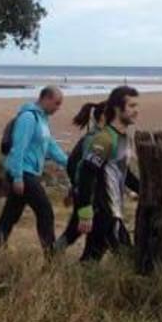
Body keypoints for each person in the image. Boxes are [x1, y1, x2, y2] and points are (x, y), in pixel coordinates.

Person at [0, 86, 71, 254]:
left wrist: (69, 163)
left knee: (10, 215)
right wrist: (18, 177)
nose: (58, 108)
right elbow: (18, 148)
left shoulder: (43, 120)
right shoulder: (28, 117)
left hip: (30, 173)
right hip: (23, 173)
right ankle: (51, 257)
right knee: (45, 211)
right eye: (57, 103)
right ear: (45, 99)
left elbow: (51, 146)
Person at [74, 86, 141, 262]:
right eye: (132, 106)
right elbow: (87, 172)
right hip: (105, 211)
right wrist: (85, 210)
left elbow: (122, 174)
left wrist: (144, 190)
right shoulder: (105, 138)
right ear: (118, 109)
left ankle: (65, 286)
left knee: (90, 260)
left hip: (112, 210)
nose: (136, 111)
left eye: (137, 106)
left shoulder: (124, 138)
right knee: (128, 260)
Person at [53, 101, 106, 253]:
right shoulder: (96, 140)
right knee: (79, 233)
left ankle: (53, 258)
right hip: (90, 197)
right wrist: (78, 190)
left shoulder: (94, 138)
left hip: (88, 196)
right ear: (103, 116)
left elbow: (72, 165)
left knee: (77, 233)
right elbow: (81, 170)